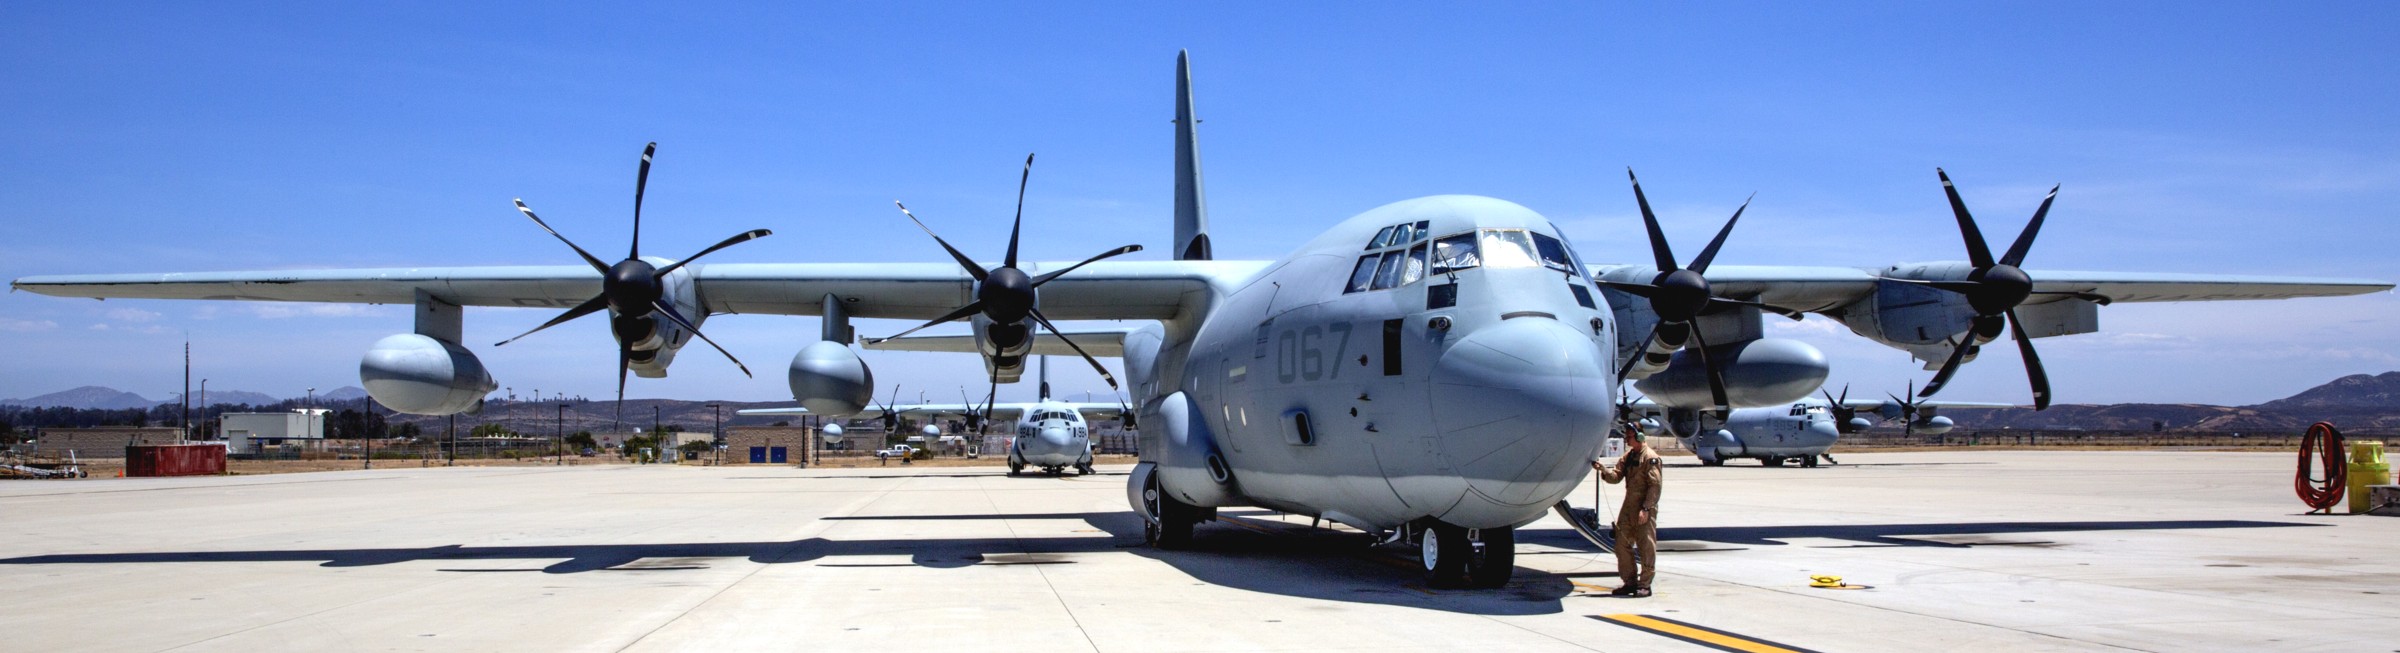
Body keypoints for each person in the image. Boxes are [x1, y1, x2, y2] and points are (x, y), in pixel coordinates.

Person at [1594, 432, 1662, 597]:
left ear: (1639, 437)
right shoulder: (1629, 456)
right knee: (1621, 543)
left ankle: (1645, 584)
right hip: (1629, 507)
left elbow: (1655, 486)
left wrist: (1646, 508)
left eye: (1629, 437)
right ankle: (1630, 582)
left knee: (1646, 545)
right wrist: (1603, 469)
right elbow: (1616, 476)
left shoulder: (1650, 458)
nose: (1626, 440)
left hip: (1644, 507)